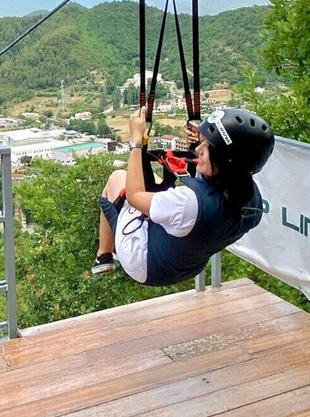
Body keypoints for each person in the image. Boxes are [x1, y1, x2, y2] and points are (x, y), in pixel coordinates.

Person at [92, 107, 274, 286]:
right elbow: (212, 193)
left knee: (117, 178)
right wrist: (201, 141)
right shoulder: (252, 204)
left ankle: (104, 254)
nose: (200, 149)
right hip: (187, 266)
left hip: (144, 264)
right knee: (155, 192)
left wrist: (136, 141)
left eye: (208, 146)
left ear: (226, 160)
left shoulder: (188, 202)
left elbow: (135, 196)